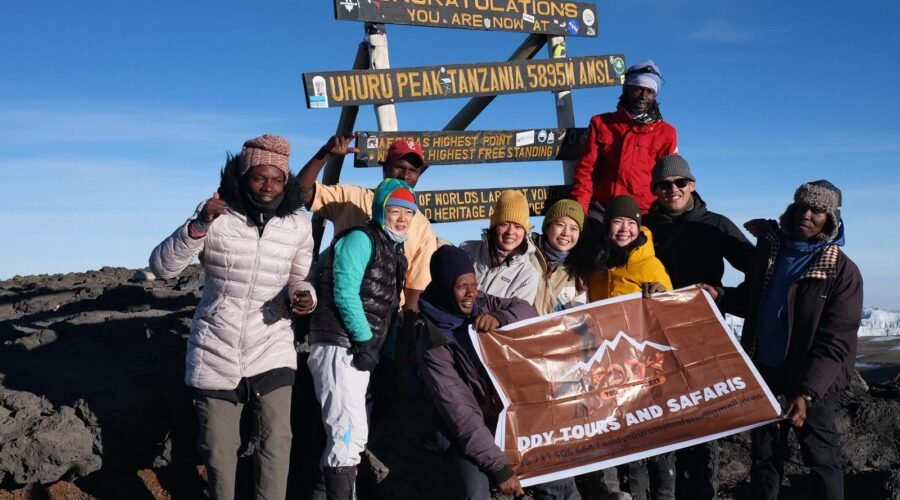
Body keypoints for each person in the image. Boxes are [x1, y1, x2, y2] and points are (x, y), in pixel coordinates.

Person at [149, 134, 315, 500]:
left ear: (286, 181)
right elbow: (163, 268)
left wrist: (304, 296)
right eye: (259, 177)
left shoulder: (298, 225)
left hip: (272, 343)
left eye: (277, 179)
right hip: (216, 347)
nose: (268, 186)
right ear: (243, 175)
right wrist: (199, 224)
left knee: (277, 441)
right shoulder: (216, 213)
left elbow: (301, 277)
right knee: (219, 452)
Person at [414, 245, 578, 499]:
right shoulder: (433, 342)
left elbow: (526, 310)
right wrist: (500, 468)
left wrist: (501, 317)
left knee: (558, 479)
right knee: (474, 493)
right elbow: (461, 414)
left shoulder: (482, 303)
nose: (471, 293)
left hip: (509, 418)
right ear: (445, 288)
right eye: (462, 286)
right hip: (467, 433)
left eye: (474, 284)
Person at [739, 180, 862, 500]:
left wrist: (806, 392)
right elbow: (751, 299)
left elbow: (836, 341)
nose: (806, 215)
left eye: (817, 210)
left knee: (821, 458)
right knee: (765, 456)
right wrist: (716, 294)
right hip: (766, 371)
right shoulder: (772, 253)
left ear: (831, 219)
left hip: (814, 381)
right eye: (801, 207)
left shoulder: (841, 272)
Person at [642, 155, 754, 499]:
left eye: (680, 182)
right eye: (664, 184)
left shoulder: (715, 225)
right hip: (654, 334)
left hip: (703, 331)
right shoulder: (644, 228)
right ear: (654, 189)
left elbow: (757, 268)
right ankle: (664, 492)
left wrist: (722, 294)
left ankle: (702, 491)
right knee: (661, 413)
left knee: (704, 410)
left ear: (692, 185)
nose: (672, 189)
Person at [306, 178, 416, 500]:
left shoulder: (394, 250)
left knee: (350, 437)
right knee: (346, 435)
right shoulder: (360, 239)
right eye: (395, 210)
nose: (402, 218)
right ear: (380, 210)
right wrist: (366, 341)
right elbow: (344, 291)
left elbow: (387, 308)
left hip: (356, 350)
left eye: (409, 212)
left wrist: (386, 354)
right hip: (339, 346)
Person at [577, 195, 675, 500]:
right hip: (608, 368)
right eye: (617, 221)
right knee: (622, 440)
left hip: (644, 366)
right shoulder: (597, 265)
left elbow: (670, 312)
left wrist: (662, 295)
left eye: (631, 223)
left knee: (653, 440)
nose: (624, 229)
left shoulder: (650, 264)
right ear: (607, 226)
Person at [297, 136, 436, 311]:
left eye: (413, 170)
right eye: (399, 167)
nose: (405, 175)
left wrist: (407, 323)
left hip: (386, 317)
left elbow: (415, 287)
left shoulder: (422, 225)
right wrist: (325, 154)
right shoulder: (351, 197)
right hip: (337, 309)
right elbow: (300, 192)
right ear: (385, 167)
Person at [570, 59, 678, 221]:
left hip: (645, 213)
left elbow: (670, 178)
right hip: (602, 210)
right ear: (627, 89)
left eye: (649, 91)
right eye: (638, 89)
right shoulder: (601, 123)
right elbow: (585, 170)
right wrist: (580, 212)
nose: (643, 96)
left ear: (655, 95)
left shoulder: (666, 132)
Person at [460, 189, 540, 303]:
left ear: (525, 232)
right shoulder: (466, 250)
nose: (510, 232)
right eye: (504, 224)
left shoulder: (527, 274)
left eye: (517, 226)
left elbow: (517, 311)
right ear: (494, 226)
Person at [530, 199, 588, 316]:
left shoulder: (578, 271)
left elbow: (580, 317)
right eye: (560, 225)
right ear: (547, 227)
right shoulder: (527, 256)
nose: (566, 233)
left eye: (573, 228)